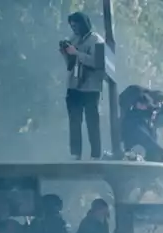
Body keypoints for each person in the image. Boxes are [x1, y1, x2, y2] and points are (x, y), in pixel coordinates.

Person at [61, 11, 105, 161]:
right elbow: (70, 64)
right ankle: (75, 153)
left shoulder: (97, 40)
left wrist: (77, 53)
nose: (74, 29)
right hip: (74, 86)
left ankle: (95, 154)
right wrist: (65, 52)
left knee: (92, 121)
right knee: (74, 121)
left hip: (90, 87)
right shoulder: (73, 39)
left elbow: (97, 63)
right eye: (72, 26)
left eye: (76, 25)